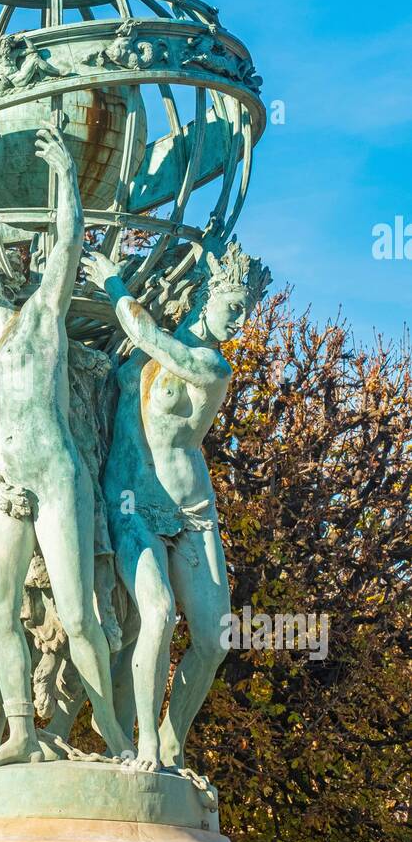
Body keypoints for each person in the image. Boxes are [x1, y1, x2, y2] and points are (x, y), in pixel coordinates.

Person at [0, 126, 132, 768]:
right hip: (2, 485)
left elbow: (67, 242)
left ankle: (118, 737)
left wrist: (68, 175)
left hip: (54, 477)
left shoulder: (40, 315)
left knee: (77, 613)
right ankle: (21, 733)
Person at [84, 239, 270, 771]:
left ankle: (172, 737)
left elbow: (145, 334)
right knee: (159, 613)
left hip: (192, 510)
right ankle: (145, 744)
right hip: (130, 501)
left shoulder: (212, 366)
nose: (241, 322)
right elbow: (136, 341)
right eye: (234, 307)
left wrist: (114, 283)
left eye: (247, 312)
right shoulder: (147, 346)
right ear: (207, 296)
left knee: (215, 640)